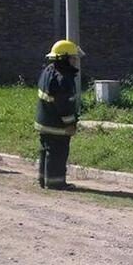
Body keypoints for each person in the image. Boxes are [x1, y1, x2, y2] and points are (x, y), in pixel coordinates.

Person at [34, 39, 84, 189]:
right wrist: (70, 123)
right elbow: (64, 105)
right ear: (64, 58)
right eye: (73, 58)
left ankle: (43, 180)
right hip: (57, 125)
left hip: (44, 122)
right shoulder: (64, 79)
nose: (75, 61)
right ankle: (56, 183)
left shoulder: (49, 70)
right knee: (57, 153)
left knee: (46, 151)